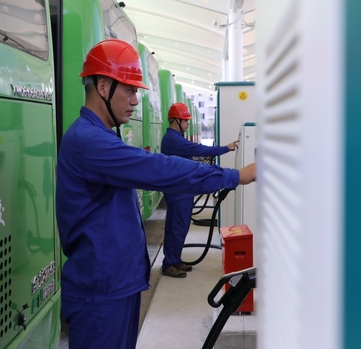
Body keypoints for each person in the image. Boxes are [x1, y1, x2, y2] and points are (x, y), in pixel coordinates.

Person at [56, 39, 256, 349]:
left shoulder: (98, 137)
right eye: (130, 90)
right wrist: (235, 176)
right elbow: (160, 168)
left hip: (116, 284)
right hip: (101, 291)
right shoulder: (90, 141)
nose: (136, 101)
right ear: (103, 86)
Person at [160, 102, 239, 278]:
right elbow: (198, 149)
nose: (188, 124)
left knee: (181, 228)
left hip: (183, 190)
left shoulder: (176, 138)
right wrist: (225, 148)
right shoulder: (172, 139)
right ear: (176, 120)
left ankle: (175, 259)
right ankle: (169, 264)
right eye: (186, 120)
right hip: (178, 192)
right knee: (176, 228)